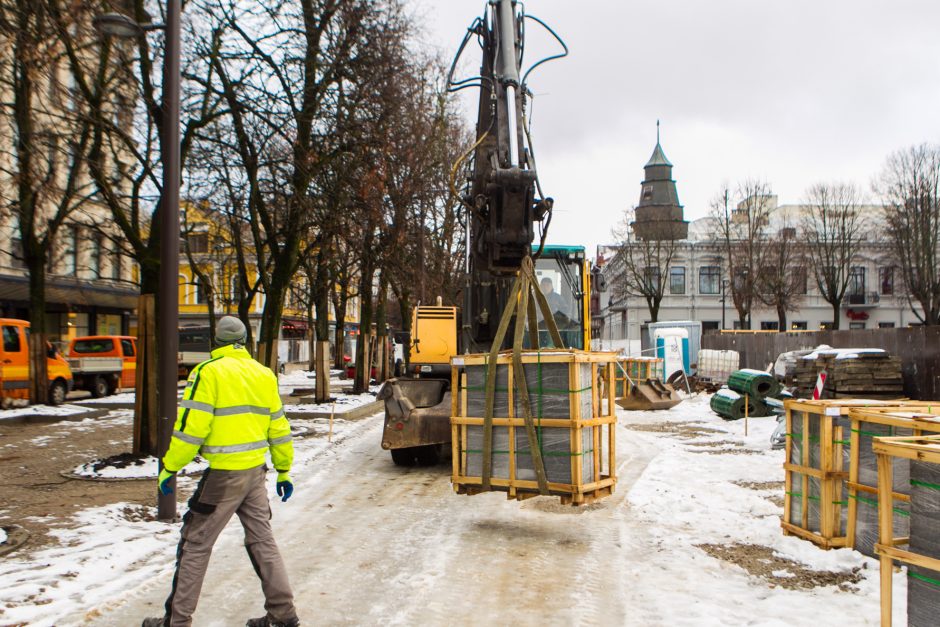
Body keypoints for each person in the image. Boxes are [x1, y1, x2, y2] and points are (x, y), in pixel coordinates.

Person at [143, 316, 299, 627]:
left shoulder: (208, 372)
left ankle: (177, 621)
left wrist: (170, 466)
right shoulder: (264, 374)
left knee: (195, 544)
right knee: (262, 541)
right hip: (255, 472)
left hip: (224, 477)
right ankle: (283, 616)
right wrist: (283, 469)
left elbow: (192, 428)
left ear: (215, 340)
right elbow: (279, 426)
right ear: (245, 340)